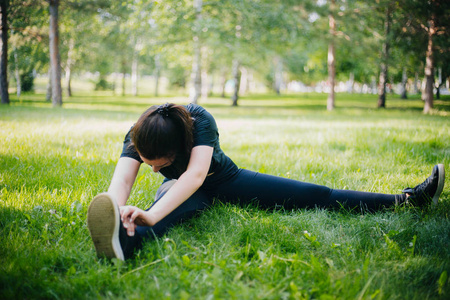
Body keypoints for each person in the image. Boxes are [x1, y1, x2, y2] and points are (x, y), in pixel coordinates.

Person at [87, 103, 445, 261]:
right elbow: (121, 182)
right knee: (165, 215)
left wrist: (149, 213)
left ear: (176, 146)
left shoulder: (197, 120)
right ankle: (125, 244)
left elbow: (195, 176)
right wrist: (118, 213)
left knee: (316, 195)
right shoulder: (140, 134)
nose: (151, 170)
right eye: (147, 163)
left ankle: (409, 200)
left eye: (158, 165)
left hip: (225, 180)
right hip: (181, 192)